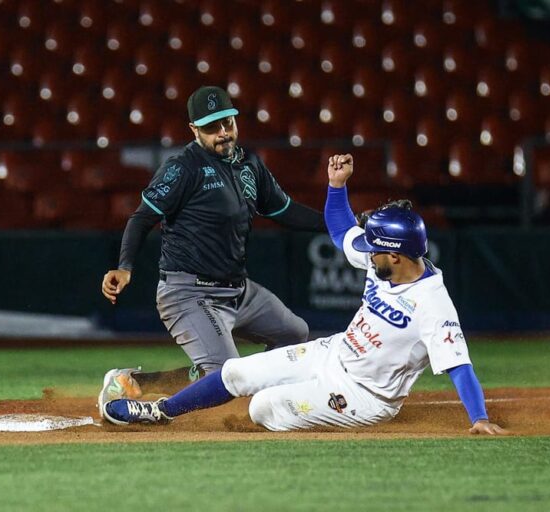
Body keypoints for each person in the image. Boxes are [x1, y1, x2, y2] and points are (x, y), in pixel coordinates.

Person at [97, 154, 507, 434]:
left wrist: (479, 416)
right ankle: (161, 410)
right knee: (236, 373)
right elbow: (341, 229)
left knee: (262, 407)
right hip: (334, 352)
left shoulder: (432, 303)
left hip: (365, 397)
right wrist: (337, 186)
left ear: (397, 256)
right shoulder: (384, 263)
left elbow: (459, 366)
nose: (366, 252)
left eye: (375, 248)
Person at [100, 86, 326, 396]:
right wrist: (124, 267)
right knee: (224, 377)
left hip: (238, 290)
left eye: (227, 123)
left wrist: (343, 223)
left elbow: (285, 211)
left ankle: (241, 384)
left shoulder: (250, 165)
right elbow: (141, 219)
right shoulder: (182, 169)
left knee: (295, 334)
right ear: (194, 130)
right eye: (211, 127)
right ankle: (135, 384)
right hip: (189, 293)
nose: (223, 133)